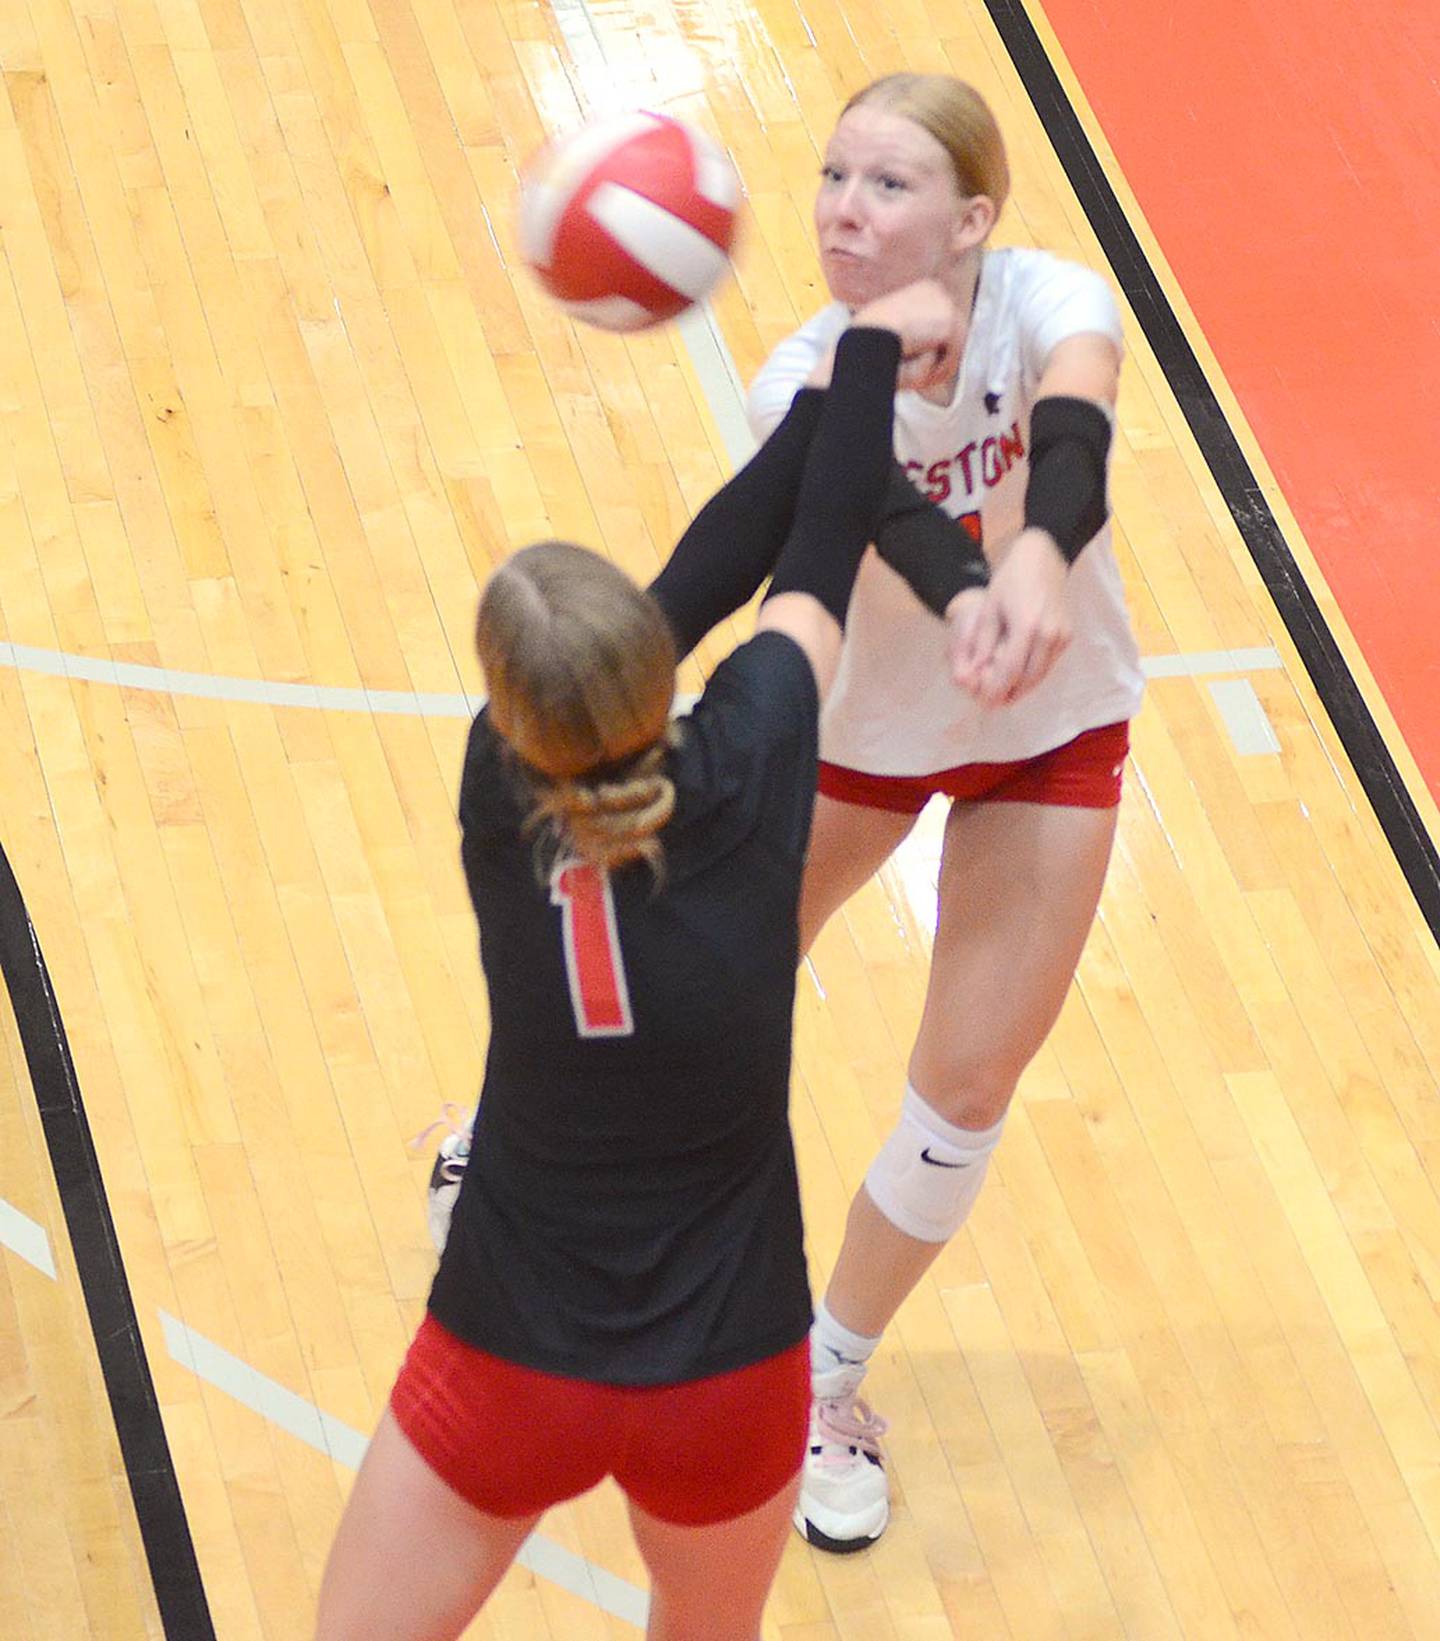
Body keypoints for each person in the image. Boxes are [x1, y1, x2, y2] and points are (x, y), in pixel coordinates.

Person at [314, 282, 966, 1641]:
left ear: (512, 709)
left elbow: (683, 593)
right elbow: (802, 541)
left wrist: (851, 366)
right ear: (649, 675)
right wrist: (865, 354)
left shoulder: (500, 789)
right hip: (729, 1366)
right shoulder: (757, 751)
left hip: (508, 1350)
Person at [744, 72, 1145, 1554]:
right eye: (833, 177)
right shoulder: (793, 378)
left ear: (974, 217)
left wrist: (1045, 549)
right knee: (689, 994)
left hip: (1049, 725)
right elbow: (875, 520)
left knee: (966, 1085)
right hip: (862, 736)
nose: (847, 209)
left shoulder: (1050, 296)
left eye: (889, 184)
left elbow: (1077, 425)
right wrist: (986, 583)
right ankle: (514, 1136)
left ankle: (821, 1374)